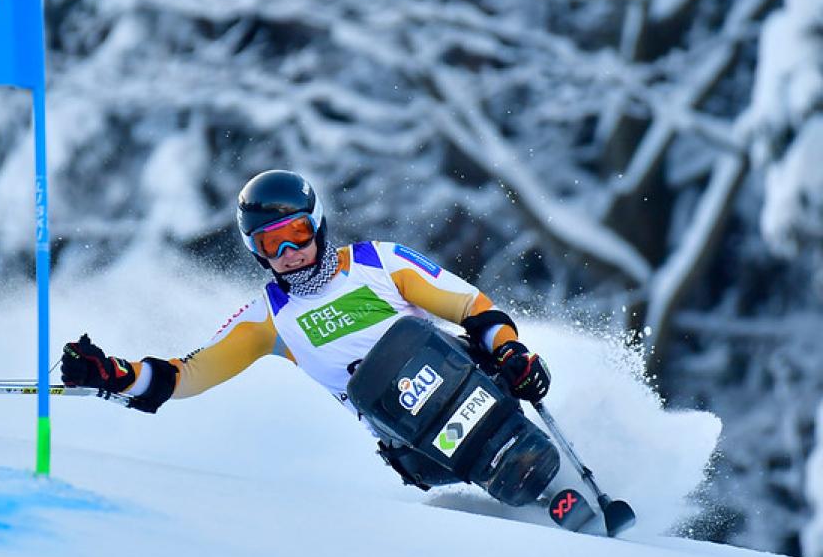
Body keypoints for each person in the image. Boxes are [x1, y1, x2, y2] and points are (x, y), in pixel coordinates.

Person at [60, 169, 554, 501]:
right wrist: (114, 376)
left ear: (316, 225)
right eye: (272, 244)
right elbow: (187, 376)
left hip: (473, 389)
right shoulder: (268, 320)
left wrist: (510, 350)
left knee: (465, 353)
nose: (290, 252)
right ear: (257, 252)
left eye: (296, 233)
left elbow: (472, 306)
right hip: (420, 445)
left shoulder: (378, 262)